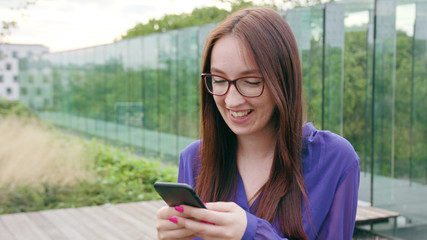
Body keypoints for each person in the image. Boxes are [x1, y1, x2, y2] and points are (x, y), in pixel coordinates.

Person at [156, 7, 360, 240]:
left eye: (251, 82)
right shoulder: (194, 159)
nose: (232, 100)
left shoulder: (335, 159)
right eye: (219, 80)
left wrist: (252, 233)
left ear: (282, 80)